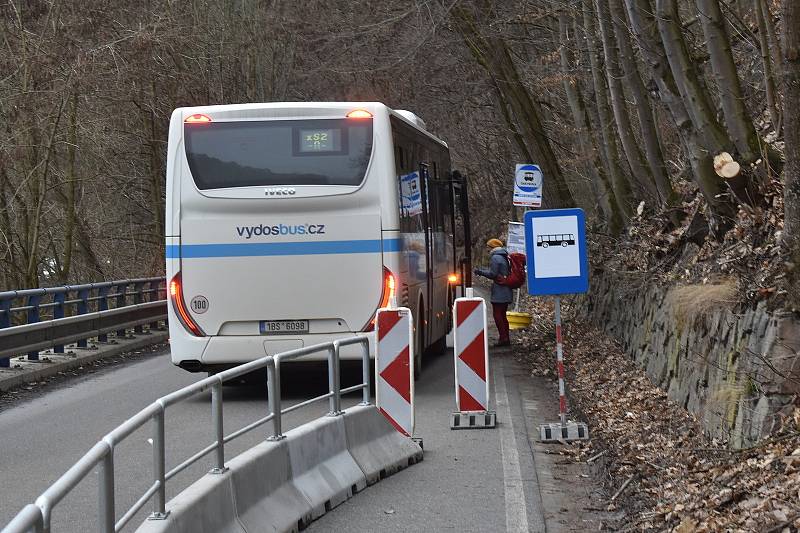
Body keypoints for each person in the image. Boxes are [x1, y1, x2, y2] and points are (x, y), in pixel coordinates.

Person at [474, 238, 512, 347]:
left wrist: (480, 272)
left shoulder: (495, 257)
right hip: (506, 289)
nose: (487, 249)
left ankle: (503, 338)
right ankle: (506, 337)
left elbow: (493, 274)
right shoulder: (505, 256)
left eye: (488, 246)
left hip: (500, 290)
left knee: (497, 314)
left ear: (492, 247)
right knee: (503, 315)